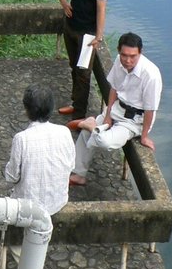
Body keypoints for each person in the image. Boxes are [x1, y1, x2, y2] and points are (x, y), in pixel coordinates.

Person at [69, 31, 162, 186]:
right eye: (124, 55)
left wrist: (144, 136)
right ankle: (79, 175)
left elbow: (150, 110)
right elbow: (114, 88)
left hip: (133, 121)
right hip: (117, 109)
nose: (128, 60)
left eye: (133, 56)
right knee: (85, 134)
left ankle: (91, 124)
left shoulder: (151, 75)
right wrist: (108, 114)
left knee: (104, 142)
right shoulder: (119, 61)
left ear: (141, 53)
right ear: (119, 50)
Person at [51, 0, 107, 120]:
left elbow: (101, 7)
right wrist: (64, 4)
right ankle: (75, 104)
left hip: (88, 33)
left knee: (83, 72)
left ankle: (80, 115)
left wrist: (99, 35)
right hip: (71, 26)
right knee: (74, 67)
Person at [5, 84, 75, 216]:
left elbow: (11, 177)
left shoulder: (21, 139)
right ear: (51, 108)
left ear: (27, 110)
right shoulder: (65, 132)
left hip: (28, 207)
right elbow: (71, 166)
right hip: (57, 202)